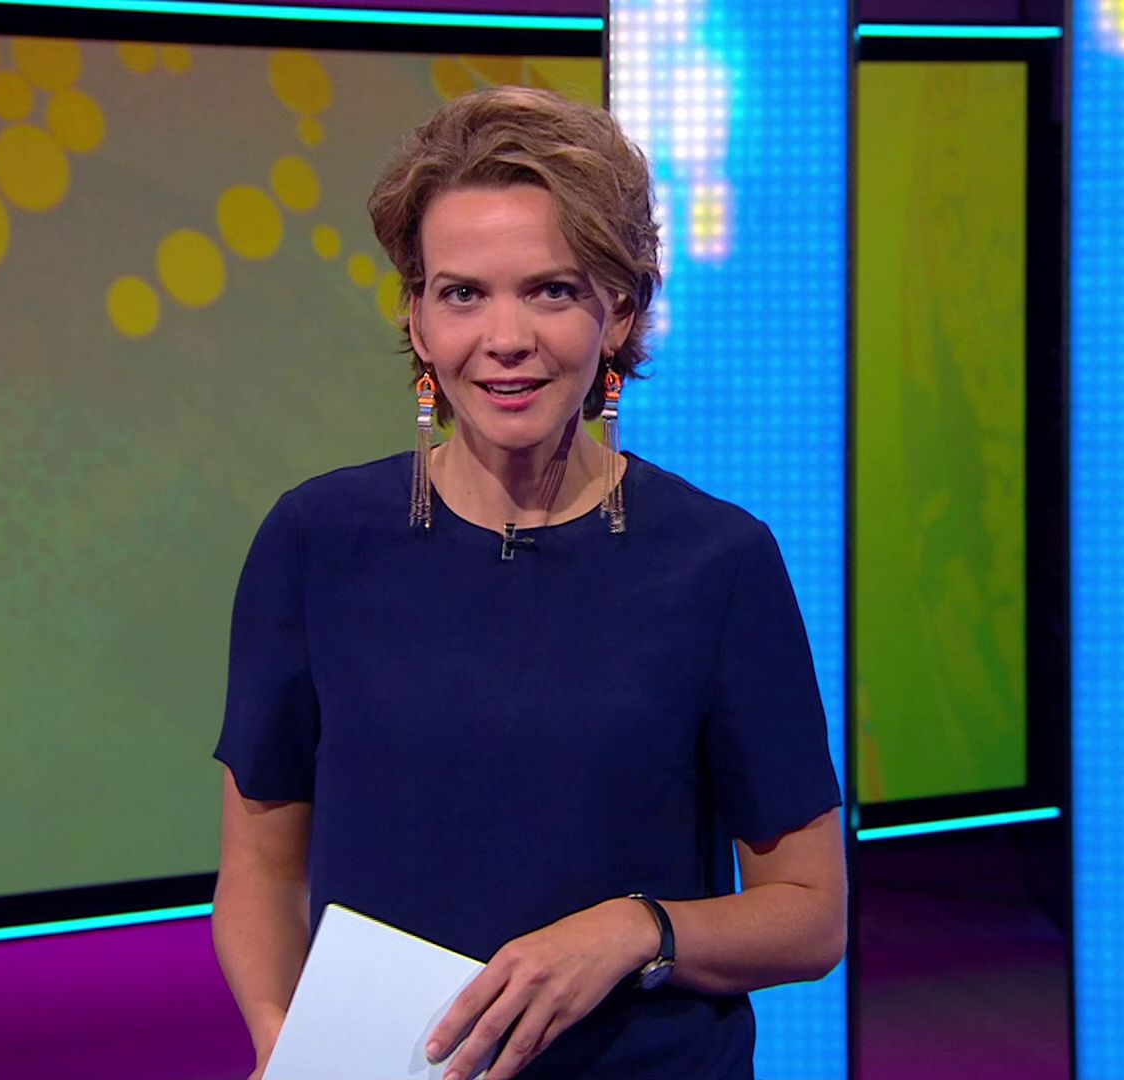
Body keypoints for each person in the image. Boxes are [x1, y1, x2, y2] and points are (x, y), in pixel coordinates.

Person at [211, 85, 847, 1080]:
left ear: (619, 309)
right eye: (462, 294)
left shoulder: (718, 562)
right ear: (418, 317)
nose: (505, 338)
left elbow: (810, 915)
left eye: (550, 290)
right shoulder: (315, 542)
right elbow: (260, 868)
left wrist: (636, 931)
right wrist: (278, 1036)